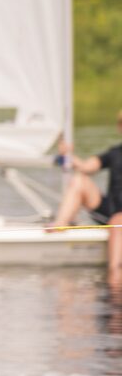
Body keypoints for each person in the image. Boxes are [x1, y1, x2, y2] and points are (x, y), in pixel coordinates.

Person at [51, 110, 122, 277]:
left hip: (118, 220)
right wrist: (67, 154)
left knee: (118, 221)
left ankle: (115, 276)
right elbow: (86, 166)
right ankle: (59, 226)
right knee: (79, 180)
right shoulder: (115, 153)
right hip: (111, 212)